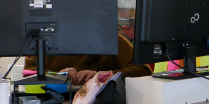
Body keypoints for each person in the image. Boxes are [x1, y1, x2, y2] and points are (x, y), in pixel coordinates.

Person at [23, 32, 151, 84]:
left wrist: (105, 76)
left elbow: (143, 69)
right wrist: (56, 75)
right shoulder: (45, 40)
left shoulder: (112, 39)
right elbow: (29, 72)